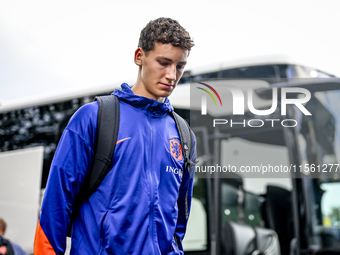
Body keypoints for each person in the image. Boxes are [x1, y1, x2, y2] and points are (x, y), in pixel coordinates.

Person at [34, 17, 196, 254]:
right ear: (139, 56)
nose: (172, 75)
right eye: (164, 62)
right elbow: (54, 210)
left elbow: (178, 224)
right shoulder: (94, 118)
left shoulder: (184, 136)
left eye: (179, 66)